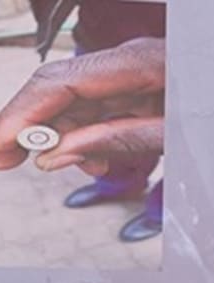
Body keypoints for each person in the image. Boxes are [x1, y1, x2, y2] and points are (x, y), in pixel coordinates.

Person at [26, 0, 165, 241]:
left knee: (191, 142)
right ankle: (119, 185)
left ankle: (163, 211)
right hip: (102, 32)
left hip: (193, 45)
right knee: (99, 122)